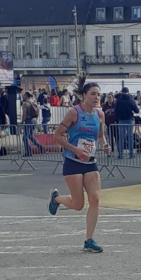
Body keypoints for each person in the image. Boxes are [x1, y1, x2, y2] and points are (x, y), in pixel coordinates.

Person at [48, 82, 111, 253]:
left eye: (98, 94)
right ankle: (56, 199)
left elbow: (101, 136)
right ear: (84, 95)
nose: (96, 97)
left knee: (95, 199)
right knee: (77, 205)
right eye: (92, 94)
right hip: (73, 162)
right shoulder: (74, 112)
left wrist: (105, 145)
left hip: (90, 162)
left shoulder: (100, 114)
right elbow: (57, 136)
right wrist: (76, 150)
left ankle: (88, 240)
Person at [114, 88, 139, 158]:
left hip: (121, 120)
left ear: (122, 92)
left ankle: (120, 154)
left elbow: (115, 111)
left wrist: (117, 119)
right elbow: (137, 110)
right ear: (128, 91)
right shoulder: (131, 99)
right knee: (130, 137)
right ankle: (131, 153)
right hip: (129, 119)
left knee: (121, 137)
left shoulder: (118, 100)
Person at [21, 92, 39, 157]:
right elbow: (38, 111)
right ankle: (40, 146)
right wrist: (36, 119)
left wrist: (22, 121)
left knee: (24, 137)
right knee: (30, 135)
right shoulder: (34, 102)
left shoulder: (25, 104)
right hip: (34, 120)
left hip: (28, 121)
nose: (23, 96)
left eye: (23, 95)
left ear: (26, 95)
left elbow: (24, 114)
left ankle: (28, 151)